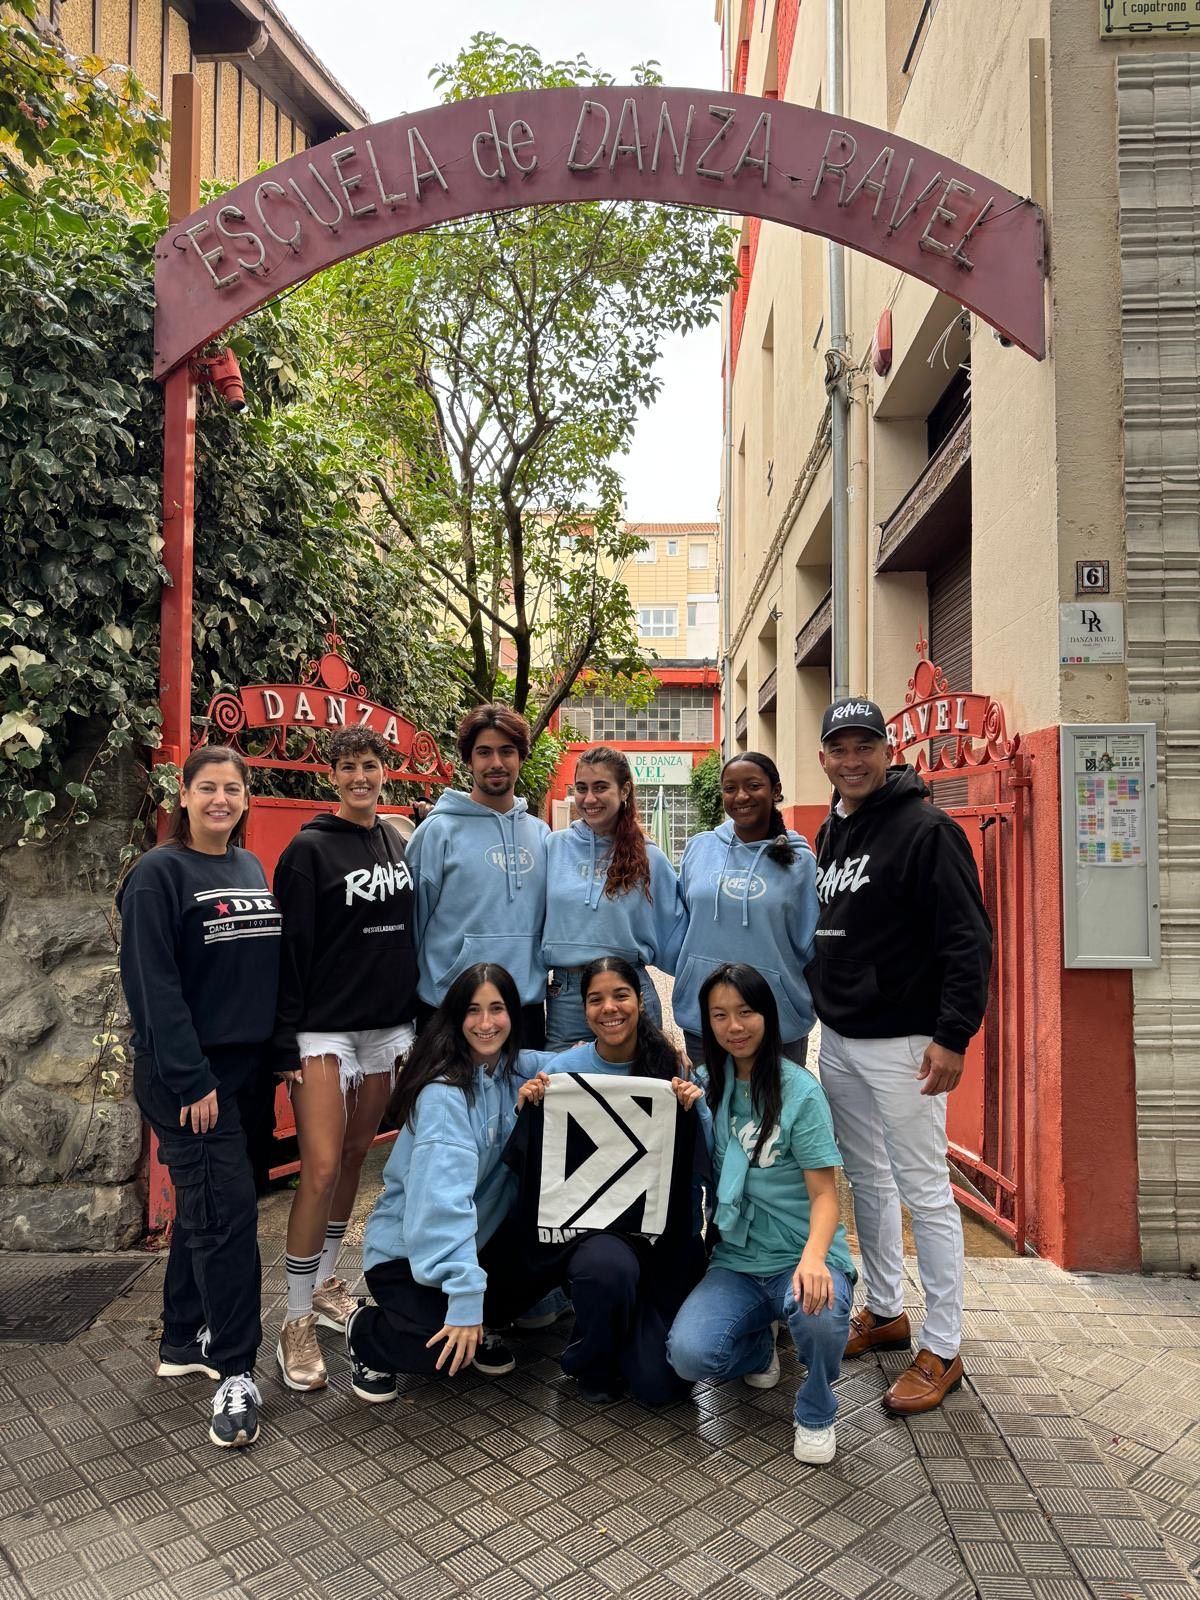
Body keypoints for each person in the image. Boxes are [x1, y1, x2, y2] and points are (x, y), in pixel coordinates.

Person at [809, 696, 992, 1414]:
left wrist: (953, 1035)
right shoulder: (833, 828)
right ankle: (886, 1309)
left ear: (888, 753)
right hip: (841, 1038)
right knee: (866, 1180)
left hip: (909, 1044)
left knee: (925, 1190)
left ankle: (943, 1346)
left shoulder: (928, 830)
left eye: (865, 746)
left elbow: (967, 939)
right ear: (824, 758)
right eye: (840, 748)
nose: (852, 760)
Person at [116, 745, 281, 1449]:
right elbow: (153, 986)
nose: (220, 799)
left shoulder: (247, 867)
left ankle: (184, 1337)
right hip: (190, 1080)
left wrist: (277, 1058)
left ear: (245, 798)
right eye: (207, 787)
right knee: (227, 1222)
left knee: (208, 1208)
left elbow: (259, 973)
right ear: (182, 795)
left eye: (232, 789)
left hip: (244, 1073)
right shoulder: (158, 875)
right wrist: (191, 1079)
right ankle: (236, 1370)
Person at [271, 726, 419, 1392]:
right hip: (323, 1032)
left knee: (358, 1156)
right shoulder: (308, 850)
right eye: (349, 766)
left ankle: (328, 1282)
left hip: (385, 1028)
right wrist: (284, 1039)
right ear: (332, 775)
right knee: (322, 1167)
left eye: (371, 765)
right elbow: (290, 949)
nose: (361, 776)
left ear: (385, 772)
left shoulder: (396, 839)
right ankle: (295, 1318)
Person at [666, 965, 856, 1464]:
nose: (734, 1026)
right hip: (737, 1260)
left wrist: (814, 1259)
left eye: (746, 1012)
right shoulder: (705, 1088)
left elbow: (826, 1196)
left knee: (820, 1315)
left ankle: (816, 1409)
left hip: (800, 1254)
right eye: (720, 1016)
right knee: (688, 1356)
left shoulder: (801, 1092)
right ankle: (759, 1344)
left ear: (767, 1016)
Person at [508, 956, 710, 1406]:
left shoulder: (672, 1068)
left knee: (661, 1388)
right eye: (595, 999)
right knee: (606, 1269)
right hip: (596, 1238)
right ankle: (590, 1357)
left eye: (620, 995)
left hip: (662, 1242)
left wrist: (695, 1107)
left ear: (640, 1000)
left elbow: (705, 1159)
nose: (609, 1008)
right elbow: (531, 1161)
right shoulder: (562, 1072)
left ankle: (624, 1335)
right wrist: (527, 1108)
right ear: (583, 1010)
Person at [343, 964, 548, 1400]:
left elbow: (577, 1063)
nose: (486, 1022)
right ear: (456, 1017)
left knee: (555, 1245)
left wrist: (658, 1058)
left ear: (514, 1015)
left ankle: (481, 1320)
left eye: (497, 1008)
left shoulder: (514, 1069)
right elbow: (442, 1207)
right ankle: (366, 1331)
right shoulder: (445, 1095)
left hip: (474, 1244)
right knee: (441, 1354)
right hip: (406, 1255)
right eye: (473, 1010)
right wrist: (466, 1298)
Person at [407, 705, 550, 1046]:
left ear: (521, 757)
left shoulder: (542, 835)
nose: (496, 762)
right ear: (468, 762)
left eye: (507, 751)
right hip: (448, 1008)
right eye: (484, 752)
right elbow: (412, 925)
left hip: (524, 1009)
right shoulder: (437, 832)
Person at [672, 753, 818, 1065]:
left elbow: (810, 944)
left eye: (753, 786)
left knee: (778, 1100)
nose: (741, 796)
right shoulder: (700, 848)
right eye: (730, 788)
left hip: (776, 1020)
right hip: (705, 1017)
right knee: (707, 1098)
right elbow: (681, 922)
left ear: (776, 791)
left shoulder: (800, 861)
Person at [542, 746, 687, 1050]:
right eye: (581, 788)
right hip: (568, 996)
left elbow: (677, 934)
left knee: (640, 1079)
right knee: (564, 1079)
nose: (589, 798)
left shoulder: (650, 857)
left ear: (624, 791)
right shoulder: (552, 847)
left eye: (600, 787)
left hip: (629, 989)